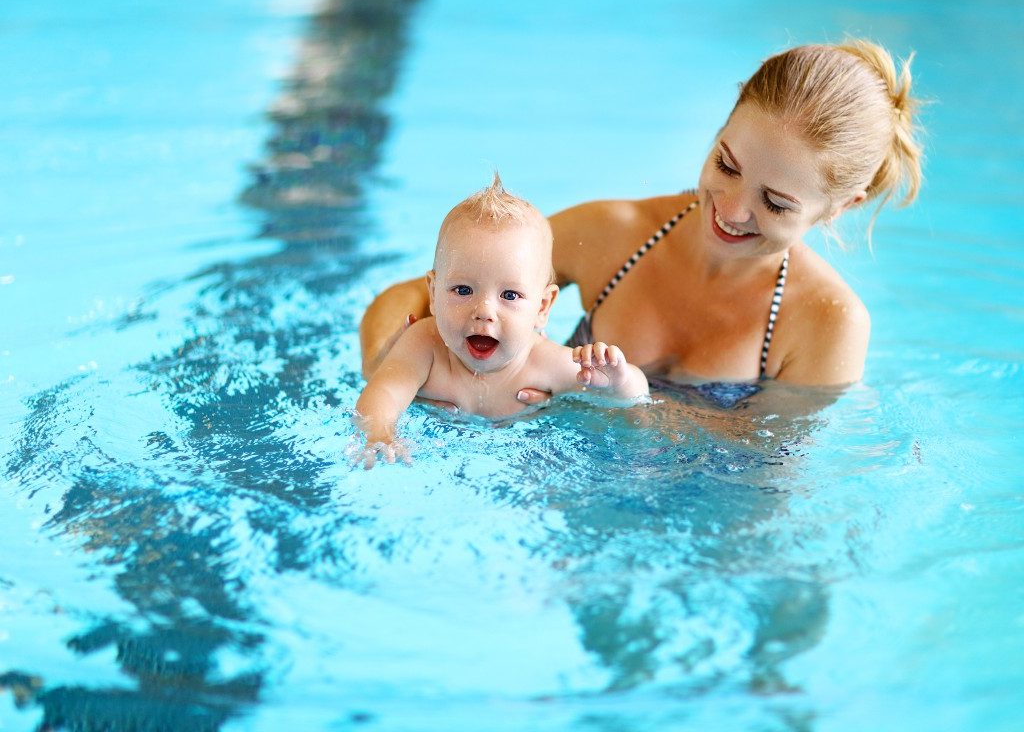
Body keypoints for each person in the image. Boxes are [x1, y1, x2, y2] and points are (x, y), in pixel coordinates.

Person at [360, 39, 924, 401]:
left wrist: (613, 405)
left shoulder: (826, 323)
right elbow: (411, 297)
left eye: (776, 203)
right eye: (726, 165)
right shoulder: (615, 234)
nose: (730, 210)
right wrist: (395, 375)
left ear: (841, 206)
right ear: (723, 125)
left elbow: (767, 481)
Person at [355, 176, 649, 465]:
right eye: (463, 290)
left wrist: (618, 383)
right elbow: (383, 394)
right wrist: (380, 433)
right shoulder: (425, 345)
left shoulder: (544, 363)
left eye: (509, 295)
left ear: (542, 307)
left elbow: (636, 397)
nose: (484, 311)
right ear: (433, 293)